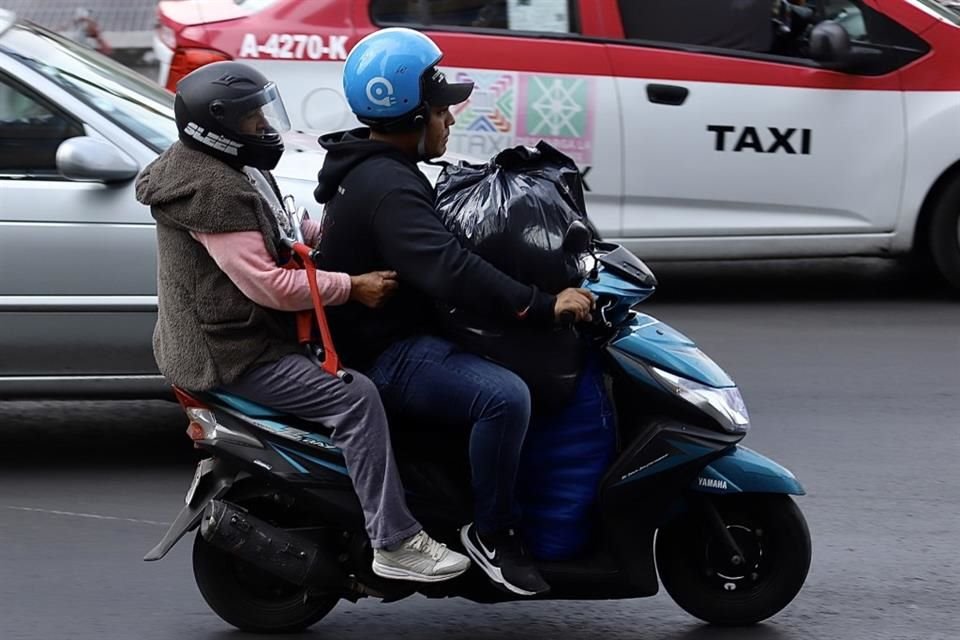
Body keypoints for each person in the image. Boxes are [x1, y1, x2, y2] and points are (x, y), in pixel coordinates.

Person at [134, 61, 470, 584]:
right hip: (232, 351)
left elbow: (283, 228)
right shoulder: (211, 194)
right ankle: (395, 540)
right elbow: (268, 285)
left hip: (230, 331)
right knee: (356, 400)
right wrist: (351, 286)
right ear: (217, 125)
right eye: (251, 120)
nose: (265, 127)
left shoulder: (232, 167)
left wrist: (335, 231)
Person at [313, 28, 594, 596]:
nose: (451, 121)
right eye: (443, 110)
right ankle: (493, 531)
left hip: (399, 329)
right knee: (504, 396)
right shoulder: (387, 186)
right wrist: (542, 304)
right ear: (412, 115)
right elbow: (449, 268)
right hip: (383, 353)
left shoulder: (379, 169)